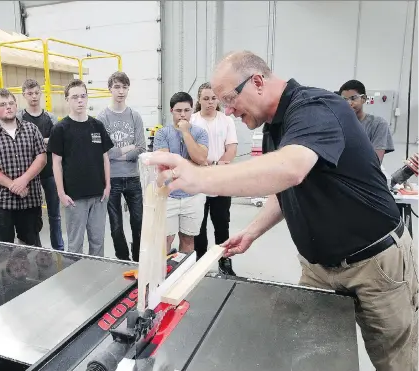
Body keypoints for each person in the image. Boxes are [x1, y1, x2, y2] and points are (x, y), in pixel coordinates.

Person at [145, 50, 417, 371]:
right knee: (310, 356)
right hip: (319, 268)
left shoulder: (316, 108)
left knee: (395, 361)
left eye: (229, 99)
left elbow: (292, 170)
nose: (228, 111)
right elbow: (286, 190)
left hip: (375, 264)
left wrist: (198, 177)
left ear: (257, 81)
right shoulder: (275, 126)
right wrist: (252, 231)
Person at [48, 79, 114, 257]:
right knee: (75, 245)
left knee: (98, 242)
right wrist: (61, 193)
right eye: (75, 97)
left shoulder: (97, 126)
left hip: (99, 196)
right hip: (74, 198)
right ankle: (75, 283)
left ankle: (96, 279)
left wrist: (107, 186)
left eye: (83, 96)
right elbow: (56, 163)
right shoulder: (60, 129)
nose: (80, 100)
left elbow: (105, 158)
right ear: (67, 100)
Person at [0, 88, 47, 246]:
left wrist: (24, 180)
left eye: (11, 103)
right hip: (1, 202)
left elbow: (41, 158)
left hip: (29, 199)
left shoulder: (31, 129)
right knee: (1, 251)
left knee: (32, 248)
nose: (8, 107)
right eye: (2, 104)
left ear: (16, 106)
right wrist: (12, 185)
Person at [96, 71, 146, 261]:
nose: (121, 91)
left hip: (133, 177)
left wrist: (119, 153)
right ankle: (123, 259)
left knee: (139, 222)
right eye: (117, 87)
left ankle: (137, 257)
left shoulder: (135, 116)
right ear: (110, 89)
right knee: (116, 225)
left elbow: (141, 147)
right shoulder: (102, 118)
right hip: (112, 179)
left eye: (124, 87)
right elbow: (104, 152)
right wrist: (127, 148)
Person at [190, 82, 238, 275]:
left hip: (221, 182)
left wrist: (217, 166)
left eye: (213, 98)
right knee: (198, 227)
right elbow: (190, 150)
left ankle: (224, 263)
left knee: (221, 224)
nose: (210, 102)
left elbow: (232, 148)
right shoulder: (192, 121)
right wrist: (204, 166)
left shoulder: (226, 120)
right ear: (199, 100)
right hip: (199, 181)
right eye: (206, 98)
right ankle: (199, 264)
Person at [153, 92, 208, 254]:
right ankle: (162, 277)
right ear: (171, 111)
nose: (183, 115)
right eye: (178, 111)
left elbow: (201, 158)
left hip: (193, 197)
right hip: (168, 196)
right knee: (165, 241)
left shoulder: (200, 133)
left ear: (192, 110)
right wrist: (194, 165)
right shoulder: (162, 133)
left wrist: (185, 132)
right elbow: (166, 164)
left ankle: (183, 275)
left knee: (188, 239)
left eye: (187, 110)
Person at [16, 79, 65, 251]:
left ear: (41, 93)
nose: (34, 96)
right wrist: (43, 142)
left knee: (55, 214)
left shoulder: (50, 118)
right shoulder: (19, 118)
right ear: (24, 95)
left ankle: (58, 248)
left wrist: (40, 142)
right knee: (33, 214)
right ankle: (37, 248)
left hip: (50, 171)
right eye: (30, 93)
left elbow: (58, 142)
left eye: (36, 92)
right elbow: (20, 144)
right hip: (31, 173)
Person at [338, 79, 394, 164]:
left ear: (363, 99)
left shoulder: (378, 124)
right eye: (344, 100)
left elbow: (375, 161)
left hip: (364, 175)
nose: (349, 103)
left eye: (353, 98)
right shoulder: (336, 123)